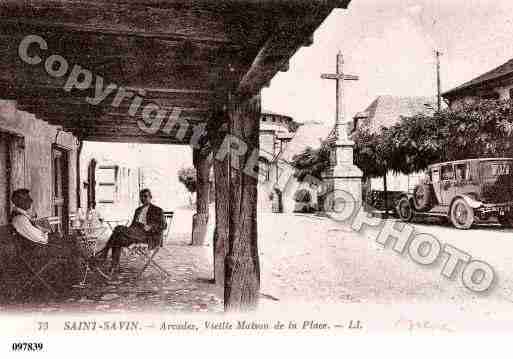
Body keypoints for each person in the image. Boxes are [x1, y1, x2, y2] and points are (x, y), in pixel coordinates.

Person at [10, 188, 82, 290]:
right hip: (36, 251)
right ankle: (72, 280)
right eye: (27, 198)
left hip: (38, 247)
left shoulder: (23, 216)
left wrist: (49, 235)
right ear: (19, 201)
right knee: (71, 245)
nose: (31, 200)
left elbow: (37, 233)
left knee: (71, 240)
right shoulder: (19, 219)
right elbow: (38, 238)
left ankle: (74, 278)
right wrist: (52, 237)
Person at [97, 189, 165, 274]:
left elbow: (163, 225)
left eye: (145, 196)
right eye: (141, 197)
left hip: (147, 236)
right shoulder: (138, 210)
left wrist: (151, 227)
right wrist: (127, 233)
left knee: (118, 228)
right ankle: (114, 265)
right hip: (135, 233)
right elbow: (132, 226)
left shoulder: (157, 210)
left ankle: (104, 254)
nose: (143, 198)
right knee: (117, 239)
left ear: (150, 197)